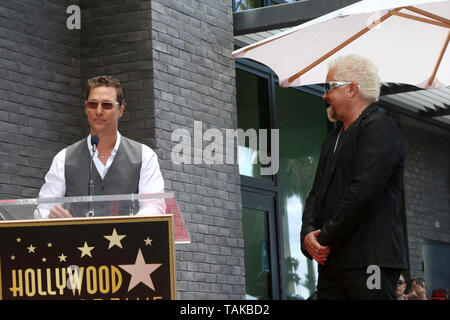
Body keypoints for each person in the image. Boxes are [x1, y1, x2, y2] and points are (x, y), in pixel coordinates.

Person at [300, 54, 407, 300]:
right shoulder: (332, 139)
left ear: (351, 89)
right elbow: (316, 193)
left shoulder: (380, 127)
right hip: (333, 263)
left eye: (330, 87)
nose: (324, 95)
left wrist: (323, 238)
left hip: (371, 261)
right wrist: (308, 235)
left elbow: (363, 192)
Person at [37, 75, 165, 218]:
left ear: (121, 110)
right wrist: (51, 215)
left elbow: (154, 206)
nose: (98, 111)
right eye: (92, 104)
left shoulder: (144, 156)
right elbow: (43, 208)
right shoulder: (63, 159)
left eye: (107, 105)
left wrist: (131, 225)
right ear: (86, 108)